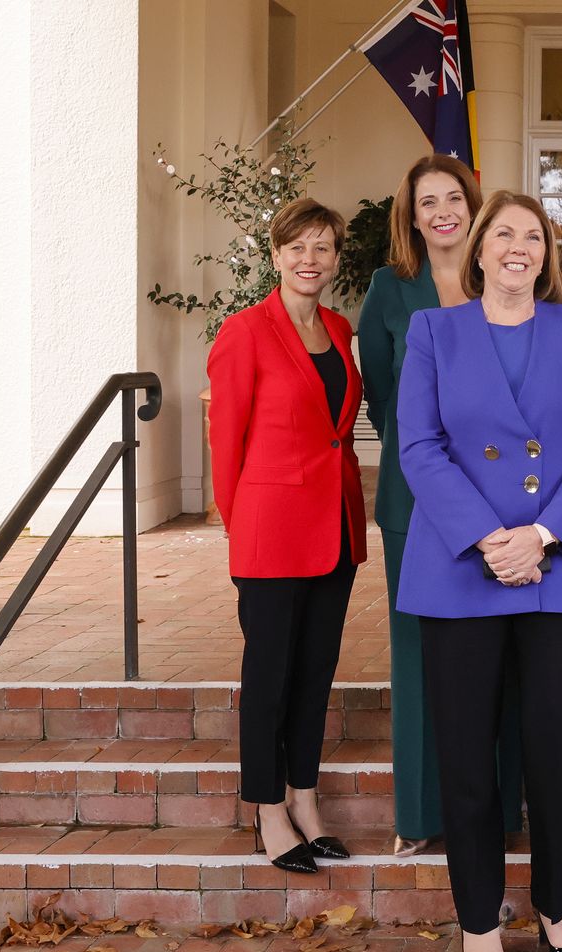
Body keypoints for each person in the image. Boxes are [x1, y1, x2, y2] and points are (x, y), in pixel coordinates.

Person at [396, 191, 562, 952]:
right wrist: (491, 539)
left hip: (556, 570)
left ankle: (557, 906)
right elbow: (418, 445)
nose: (519, 247)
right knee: (467, 756)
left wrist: (542, 535)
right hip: (463, 570)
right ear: (480, 250)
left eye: (534, 236)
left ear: (547, 254)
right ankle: (478, 918)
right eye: (505, 235)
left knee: (555, 754)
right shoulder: (433, 330)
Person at [359, 155, 523, 857]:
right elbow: (380, 396)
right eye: (428, 202)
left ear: (473, 205)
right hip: (419, 501)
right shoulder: (389, 292)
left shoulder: (505, 280)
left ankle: (502, 806)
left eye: (453, 198)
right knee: (422, 657)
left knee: (504, 655)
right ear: (412, 214)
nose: (442, 212)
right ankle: (423, 813)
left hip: (507, 505)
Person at [208, 197, 366, 876]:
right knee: (269, 676)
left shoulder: (339, 327)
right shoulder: (244, 332)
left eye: (323, 248)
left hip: (334, 527)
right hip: (271, 533)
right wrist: (243, 534)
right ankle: (267, 808)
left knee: (315, 672)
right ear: (275, 255)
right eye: (297, 247)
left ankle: (305, 797)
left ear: (334, 259)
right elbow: (225, 450)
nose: (310, 259)